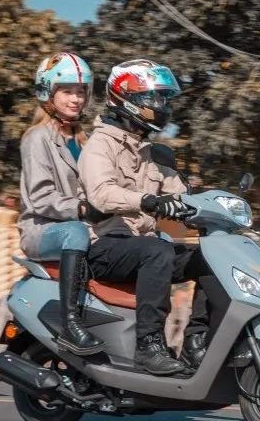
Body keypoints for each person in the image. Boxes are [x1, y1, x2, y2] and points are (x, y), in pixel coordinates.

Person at [78, 59, 210, 376]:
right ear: (126, 98)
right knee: (159, 250)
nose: (160, 105)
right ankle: (148, 347)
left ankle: (198, 342)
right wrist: (149, 200)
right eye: (153, 98)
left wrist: (209, 206)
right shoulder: (99, 145)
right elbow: (101, 194)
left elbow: (180, 195)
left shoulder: (152, 152)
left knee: (209, 258)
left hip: (143, 246)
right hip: (105, 246)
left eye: (164, 99)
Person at [18, 52, 107, 355]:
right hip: (43, 230)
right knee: (76, 232)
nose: (76, 99)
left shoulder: (85, 140)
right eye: (67, 91)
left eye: (81, 92)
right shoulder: (37, 139)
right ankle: (70, 324)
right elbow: (40, 198)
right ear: (48, 93)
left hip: (82, 226)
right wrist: (82, 209)